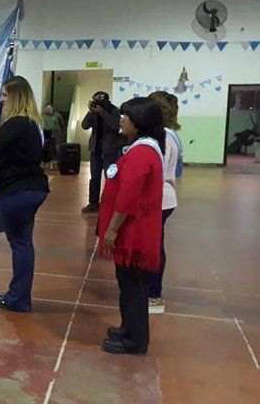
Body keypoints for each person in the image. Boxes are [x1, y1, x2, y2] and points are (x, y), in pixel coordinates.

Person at [99, 97, 165, 355]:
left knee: (133, 287)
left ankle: (135, 340)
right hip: (133, 230)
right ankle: (128, 327)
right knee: (127, 284)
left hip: (132, 233)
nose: (121, 120)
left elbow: (127, 197)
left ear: (140, 122)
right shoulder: (140, 148)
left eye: (126, 116)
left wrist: (112, 229)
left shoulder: (141, 153)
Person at [0, 76, 50, 313]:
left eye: (4, 96)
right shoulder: (33, 124)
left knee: (20, 244)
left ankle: (18, 298)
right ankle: (20, 295)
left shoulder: (16, 123)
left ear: (15, 97)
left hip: (15, 189)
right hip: (33, 187)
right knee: (24, 244)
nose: (1, 100)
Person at [147, 92, 182, 314]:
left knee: (154, 247)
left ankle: (154, 294)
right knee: (154, 245)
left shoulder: (164, 138)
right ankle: (151, 291)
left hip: (159, 198)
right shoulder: (167, 135)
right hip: (162, 197)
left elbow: (155, 170)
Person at [81, 92, 125, 213]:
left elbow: (115, 126)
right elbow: (84, 126)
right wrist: (90, 112)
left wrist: (102, 112)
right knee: (94, 177)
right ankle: (93, 203)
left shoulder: (114, 110)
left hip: (110, 150)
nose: (97, 104)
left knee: (110, 177)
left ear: (106, 101)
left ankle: (111, 202)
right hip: (95, 149)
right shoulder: (93, 112)